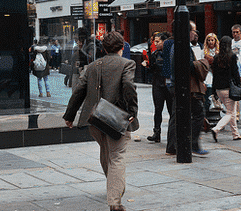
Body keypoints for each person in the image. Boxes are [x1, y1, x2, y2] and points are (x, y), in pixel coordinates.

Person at [63, 31, 138, 211]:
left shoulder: (93, 66)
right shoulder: (127, 63)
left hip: (96, 119)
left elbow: (79, 90)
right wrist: (132, 110)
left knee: (106, 152)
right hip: (117, 118)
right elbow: (129, 86)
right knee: (117, 156)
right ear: (122, 48)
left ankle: (114, 186)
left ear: (103, 48)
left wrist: (69, 115)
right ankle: (114, 201)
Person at [166, 30, 211, 156]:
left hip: (178, 85)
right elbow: (189, 66)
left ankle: (172, 146)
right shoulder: (182, 46)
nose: (196, 34)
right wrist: (202, 63)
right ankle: (193, 144)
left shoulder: (176, 45)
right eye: (193, 31)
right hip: (186, 87)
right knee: (198, 114)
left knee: (176, 115)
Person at [210, 36, 241, 140]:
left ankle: (235, 134)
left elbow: (214, 74)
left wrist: (214, 90)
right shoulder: (232, 56)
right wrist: (239, 85)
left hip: (218, 88)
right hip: (229, 88)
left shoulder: (216, 57)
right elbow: (235, 73)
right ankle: (216, 128)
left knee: (232, 112)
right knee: (230, 113)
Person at [143, 32, 172, 143]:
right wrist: (147, 65)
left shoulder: (170, 53)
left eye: (157, 41)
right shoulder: (154, 54)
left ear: (164, 41)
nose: (155, 43)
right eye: (155, 41)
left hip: (168, 84)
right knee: (158, 109)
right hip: (157, 84)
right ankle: (157, 132)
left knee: (171, 110)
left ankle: (172, 133)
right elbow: (151, 70)